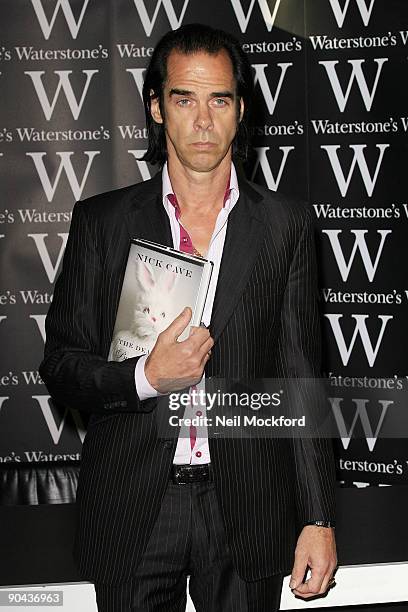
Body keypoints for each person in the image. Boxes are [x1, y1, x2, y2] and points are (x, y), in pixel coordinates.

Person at [39, 24, 337, 612]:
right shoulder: (103, 223)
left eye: (219, 99)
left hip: (249, 508)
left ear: (240, 109)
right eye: (184, 98)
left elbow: (301, 380)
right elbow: (63, 366)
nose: (203, 120)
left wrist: (318, 517)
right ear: (156, 107)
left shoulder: (285, 226)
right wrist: (147, 377)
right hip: (132, 510)